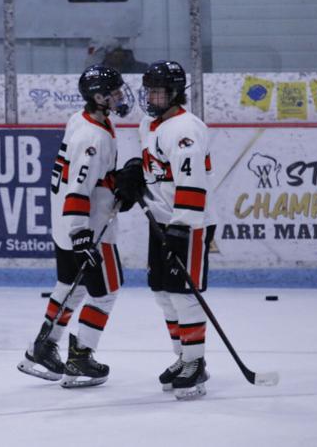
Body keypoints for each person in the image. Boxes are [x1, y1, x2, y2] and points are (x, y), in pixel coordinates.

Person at [17, 65, 135, 388]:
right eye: (113, 93)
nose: (120, 97)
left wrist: (115, 182)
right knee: (106, 291)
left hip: (64, 223)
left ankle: (41, 347)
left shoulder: (83, 120)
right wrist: (82, 234)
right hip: (88, 228)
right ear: (98, 97)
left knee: (70, 284)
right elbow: (79, 189)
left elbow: (86, 178)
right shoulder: (91, 137)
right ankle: (81, 357)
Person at [118, 60, 216, 400]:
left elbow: (191, 182)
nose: (151, 97)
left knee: (182, 293)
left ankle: (195, 362)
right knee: (162, 292)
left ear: (174, 93)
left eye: (158, 91)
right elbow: (156, 167)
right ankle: (182, 357)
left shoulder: (186, 129)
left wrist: (181, 228)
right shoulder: (149, 124)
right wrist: (134, 172)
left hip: (188, 223)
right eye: (149, 91)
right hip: (160, 221)